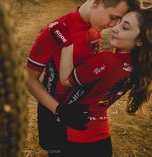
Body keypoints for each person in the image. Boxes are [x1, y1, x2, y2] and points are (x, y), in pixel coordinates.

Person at [26, 0, 140, 156]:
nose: (113, 25)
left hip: (79, 118)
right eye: (113, 17)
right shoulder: (55, 30)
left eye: (118, 20)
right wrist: (59, 110)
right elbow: (29, 79)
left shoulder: (94, 29)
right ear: (97, 2)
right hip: (53, 113)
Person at [58, 8, 152, 157]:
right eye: (119, 22)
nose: (114, 28)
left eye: (125, 27)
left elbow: (66, 80)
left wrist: (67, 41)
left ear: (140, 40)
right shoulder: (137, 68)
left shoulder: (108, 60)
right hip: (102, 140)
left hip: (77, 136)